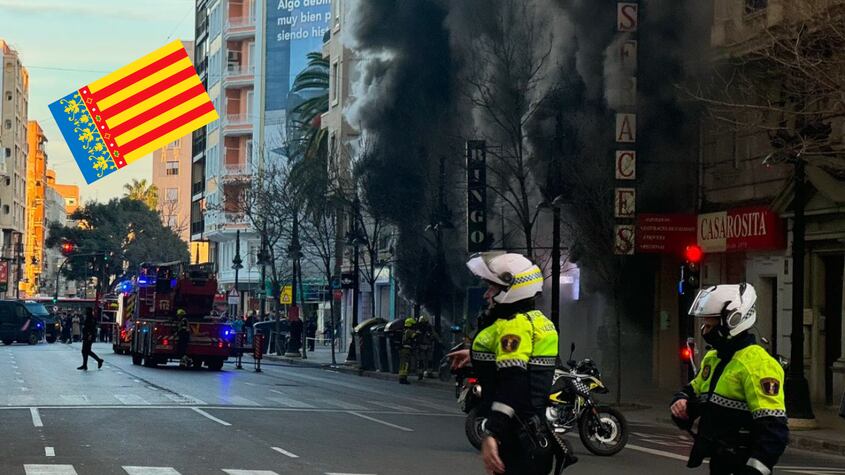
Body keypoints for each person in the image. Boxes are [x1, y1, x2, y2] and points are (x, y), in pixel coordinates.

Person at [457, 251, 574, 475]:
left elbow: (513, 384)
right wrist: (472, 355)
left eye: (492, 288)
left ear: (512, 289)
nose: (486, 295)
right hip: (531, 435)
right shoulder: (537, 320)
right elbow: (525, 364)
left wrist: (492, 432)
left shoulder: (513, 326)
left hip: (518, 439)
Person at [670, 283, 788, 475]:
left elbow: (774, 429)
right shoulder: (714, 358)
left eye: (710, 322)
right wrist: (680, 402)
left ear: (733, 319)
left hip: (742, 464)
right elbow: (693, 391)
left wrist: (755, 470)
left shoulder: (758, 364)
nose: (705, 328)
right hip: (720, 461)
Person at [398, 317, 418, 385]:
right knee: (406, 365)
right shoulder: (409, 331)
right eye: (413, 324)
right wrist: (418, 332)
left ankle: (401, 378)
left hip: (403, 350)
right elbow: (415, 337)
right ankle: (403, 378)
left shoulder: (404, 331)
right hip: (406, 350)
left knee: (402, 364)